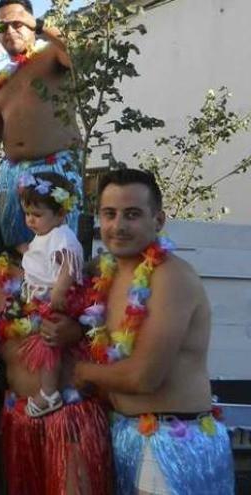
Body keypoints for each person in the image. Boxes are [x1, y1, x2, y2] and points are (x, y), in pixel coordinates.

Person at [0, 190, 112, 495]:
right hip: (20, 415)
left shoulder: (24, 261)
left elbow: (81, 298)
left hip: (67, 407)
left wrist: (75, 329)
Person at [73, 169, 234, 495]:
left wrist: (76, 371)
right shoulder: (110, 275)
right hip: (127, 434)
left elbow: (144, 377)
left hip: (172, 441)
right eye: (109, 214)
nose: (118, 226)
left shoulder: (170, 277)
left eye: (132, 214)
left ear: (158, 220)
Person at [0, 0, 83, 249]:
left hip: (56, 168)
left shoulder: (50, 55)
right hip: (13, 175)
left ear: (32, 25)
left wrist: (42, 25)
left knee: (57, 251)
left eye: (17, 23)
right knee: (12, 249)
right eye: (2, 26)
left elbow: (78, 50)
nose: (9, 30)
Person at [15, 172, 84, 417]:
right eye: (27, 214)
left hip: (56, 298)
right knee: (44, 344)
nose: (30, 220)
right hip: (41, 299)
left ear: (61, 214)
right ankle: (50, 387)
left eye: (37, 215)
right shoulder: (43, 236)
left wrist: (60, 290)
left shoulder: (61, 235)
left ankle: (49, 392)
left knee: (49, 344)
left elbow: (69, 263)